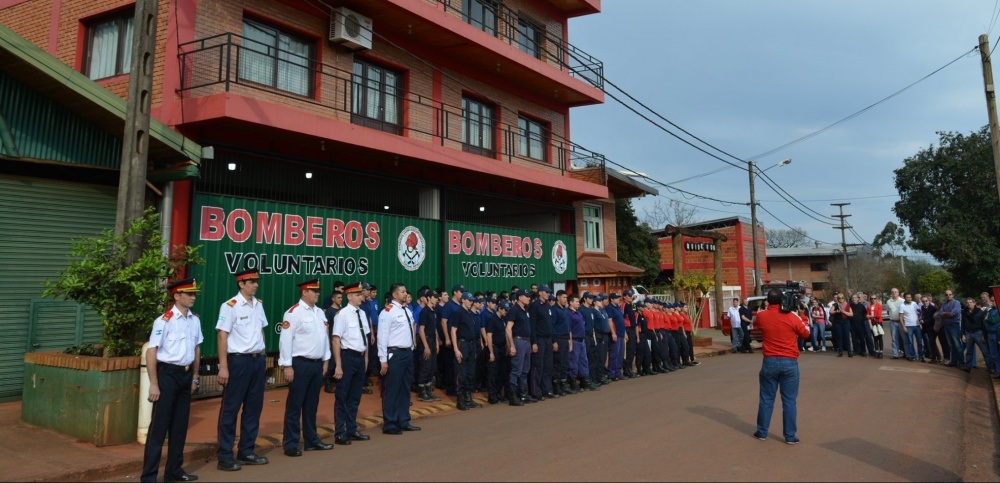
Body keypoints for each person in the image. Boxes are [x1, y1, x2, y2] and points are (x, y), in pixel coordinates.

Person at [141, 278, 203, 483]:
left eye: (194, 294)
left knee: (179, 426)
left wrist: (195, 377)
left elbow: (196, 348)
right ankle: (149, 476)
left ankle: (174, 471)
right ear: (177, 296)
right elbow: (152, 352)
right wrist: (154, 383)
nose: (193, 297)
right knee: (159, 428)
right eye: (189, 294)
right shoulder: (164, 320)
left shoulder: (195, 320)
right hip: (167, 374)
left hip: (185, 376)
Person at [215, 269, 269, 471]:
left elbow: (261, 330)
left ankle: (246, 450)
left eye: (256, 281)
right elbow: (222, 336)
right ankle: (225, 456)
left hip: (257, 361)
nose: (255, 284)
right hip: (238, 361)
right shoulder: (230, 306)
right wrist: (224, 367)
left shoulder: (258, 305)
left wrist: (263, 353)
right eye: (251, 281)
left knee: (253, 408)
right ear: (241, 284)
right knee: (231, 409)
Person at [278, 279, 333, 457]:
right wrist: (287, 365)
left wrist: (326, 360)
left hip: (317, 364)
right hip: (300, 363)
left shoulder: (319, 313)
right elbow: (285, 340)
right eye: (314, 290)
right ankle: (291, 443)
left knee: (312, 405)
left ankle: (311, 440)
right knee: (295, 405)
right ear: (304, 292)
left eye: (318, 290)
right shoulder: (293, 313)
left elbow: (324, 338)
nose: (317, 293)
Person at [753, 288, 811, 445]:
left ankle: (762, 431)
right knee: (789, 401)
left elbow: (757, 324)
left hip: (769, 360)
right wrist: (802, 315)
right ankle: (790, 435)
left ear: (768, 300)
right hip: (789, 361)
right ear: (782, 300)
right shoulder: (792, 316)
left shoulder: (761, 316)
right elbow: (806, 334)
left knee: (766, 398)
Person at [330, 282, 372, 445]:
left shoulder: (362, 313)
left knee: (355, 396)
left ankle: (352, 429)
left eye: (361, 294)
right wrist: (338, 364)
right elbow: (336, 340)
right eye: (357, 294)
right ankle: (340, 432)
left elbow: (366, 338)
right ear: (349, 296)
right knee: (342, 395)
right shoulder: (342, 315)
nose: (361, 296)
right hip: (347, 357)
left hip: (360, 358)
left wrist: (366, 358)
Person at [379, 284, 421, 434]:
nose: (405, 294)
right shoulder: (387, 312)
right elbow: (382, 337)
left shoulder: (407, 311)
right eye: (402, 292)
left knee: (405, 388)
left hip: (407, 353)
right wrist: (383, 359)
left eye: (405, 291)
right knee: (392, 389)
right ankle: (390, 423)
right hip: (395, 354)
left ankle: (404, 420)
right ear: (395, 295)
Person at [451, 292, 482, 410]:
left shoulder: (469, 313)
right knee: (461, 373)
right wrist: (456, 349)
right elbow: (453, 331)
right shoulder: (458, 312)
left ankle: (468, 398)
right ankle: (460, 399)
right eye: (469, 300)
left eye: (472, 300)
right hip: (462, 344)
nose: (471, 302)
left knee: (470, 372)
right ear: (463, 300)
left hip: (471, 344)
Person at [505, 290, 534, 405]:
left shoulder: (525, 310)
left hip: (526, 341)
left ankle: (523, 394)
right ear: (520, 297)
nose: (528, 298)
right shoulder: (514, 309)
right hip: (518, 340)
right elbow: (508, 328)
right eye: (526, 296)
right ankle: (513, 396)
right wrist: (511, 345)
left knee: (525, 369)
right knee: (516, 370)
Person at [529, 284, 556, 398]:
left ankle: (547, 389)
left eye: (549, 292)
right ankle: (536, 391)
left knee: (548, 366)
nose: (548, 294)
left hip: (548, 339)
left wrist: (554, 340)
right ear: (540, 293)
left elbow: (551, 324)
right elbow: (532, 325)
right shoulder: (535, 306)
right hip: (539, 339)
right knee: (538, 366)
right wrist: (534, 342)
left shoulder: (547, 306)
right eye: (546, 292)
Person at [415, 289, 441, 402]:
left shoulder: (433, 312)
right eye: (434, 297)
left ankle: (429, 390)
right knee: (425, 366)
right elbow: (421, 330)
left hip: (433, 341)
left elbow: (434, 328)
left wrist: (436, 343)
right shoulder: (424, 312)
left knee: (432, 367)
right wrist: (426, 346)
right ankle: (422, 393)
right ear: (429, 298)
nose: (436, 299)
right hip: (426, 341)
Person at [486, 300, 511, 404]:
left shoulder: (503, 319)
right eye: (505, 309)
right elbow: (489, 336)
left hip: (502, 348)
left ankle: (498, 393)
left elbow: (505, 334)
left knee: (502, 373)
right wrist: (491, 352)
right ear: (499, 308)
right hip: (495, 348)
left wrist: (508, 347)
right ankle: (492, 396)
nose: (506, 312)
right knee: (493, 373)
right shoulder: (492, 319)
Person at [323, 291, 344, 393]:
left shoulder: (342, 310)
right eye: (338, 297)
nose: (340, 299)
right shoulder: (330, 311)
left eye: (341, 297)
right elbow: (327, 326)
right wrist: (328, 340)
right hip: (332, 340)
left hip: (342, 341)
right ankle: (327, 383)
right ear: (333, 299)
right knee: (331, 362)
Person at [939, 289, 963, 367]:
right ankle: (954, 361)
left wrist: (946, 314)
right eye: (946, 294)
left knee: (957, 345)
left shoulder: (957, 303)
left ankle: (961, 362)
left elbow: (953, 313)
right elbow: (940, 313)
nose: (948, 296)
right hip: (946, 326)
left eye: (950, 294)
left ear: (953, 295)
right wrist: (947, 314)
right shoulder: (944, 304)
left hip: (954, 326)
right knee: (951, 345)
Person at [899, 293, 923, 362]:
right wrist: (903, 326)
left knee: (919, 342)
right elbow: (900, 317)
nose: (909, 298)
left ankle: (920, 356)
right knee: (910, 342)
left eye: (910, 297)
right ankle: (912, 355)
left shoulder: (914, 304)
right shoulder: (902, 306)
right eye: (907, 297)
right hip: (908, 326)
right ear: (904, 298)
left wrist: (920, 321)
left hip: (917, 325)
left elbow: (920, 312)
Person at [829, 293, 853, 357]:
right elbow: (830, 312)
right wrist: (836, 311)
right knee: (839, 337)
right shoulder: (835, 304)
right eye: (839, 298)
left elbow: (851, 314)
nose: (841, 299)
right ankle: (840, 351)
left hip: (846, 322)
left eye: (842, 297)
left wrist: (844, 312)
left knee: (846, 336)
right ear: (837, 299)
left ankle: (849, 351)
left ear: (844, 298)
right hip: (838, 322)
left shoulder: (847, 305)